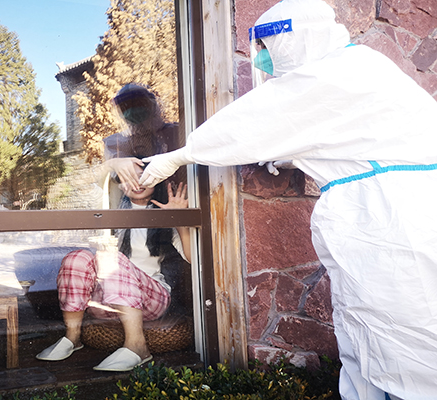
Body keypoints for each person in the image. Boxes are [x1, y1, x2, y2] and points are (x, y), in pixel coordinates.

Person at [138, 0, 437, 399]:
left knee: (403, 339)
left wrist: (180, 155)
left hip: (393, 223)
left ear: (295, 39)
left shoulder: (331, 74)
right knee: (368, 330)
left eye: (267, 46)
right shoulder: (357, 66)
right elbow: (349, 137)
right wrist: (290, 153)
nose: (263, 58)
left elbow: (253, 119)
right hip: (391, 214)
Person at [36, 166, 190, 371]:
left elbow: (192, 258)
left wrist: (179, 218)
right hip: (108, 301)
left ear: (156, 181)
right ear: (121, 184)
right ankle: (72, 337)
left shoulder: (163, 214)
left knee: (111, 259)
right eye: (129, 177)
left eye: (144, 177)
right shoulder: (109, 207)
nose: (137, 183)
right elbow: (75, 182)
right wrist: (111, 164)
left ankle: (137, 345)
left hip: (151, 300)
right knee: (77, 258)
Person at [103, 83, 184, 192]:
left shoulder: (178, 132)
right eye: (126, 106)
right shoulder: (116, 143)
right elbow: (110, 178)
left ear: (153, 104)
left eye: (140, 102)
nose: (134, 109)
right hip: (142, 201)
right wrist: (113, 164)